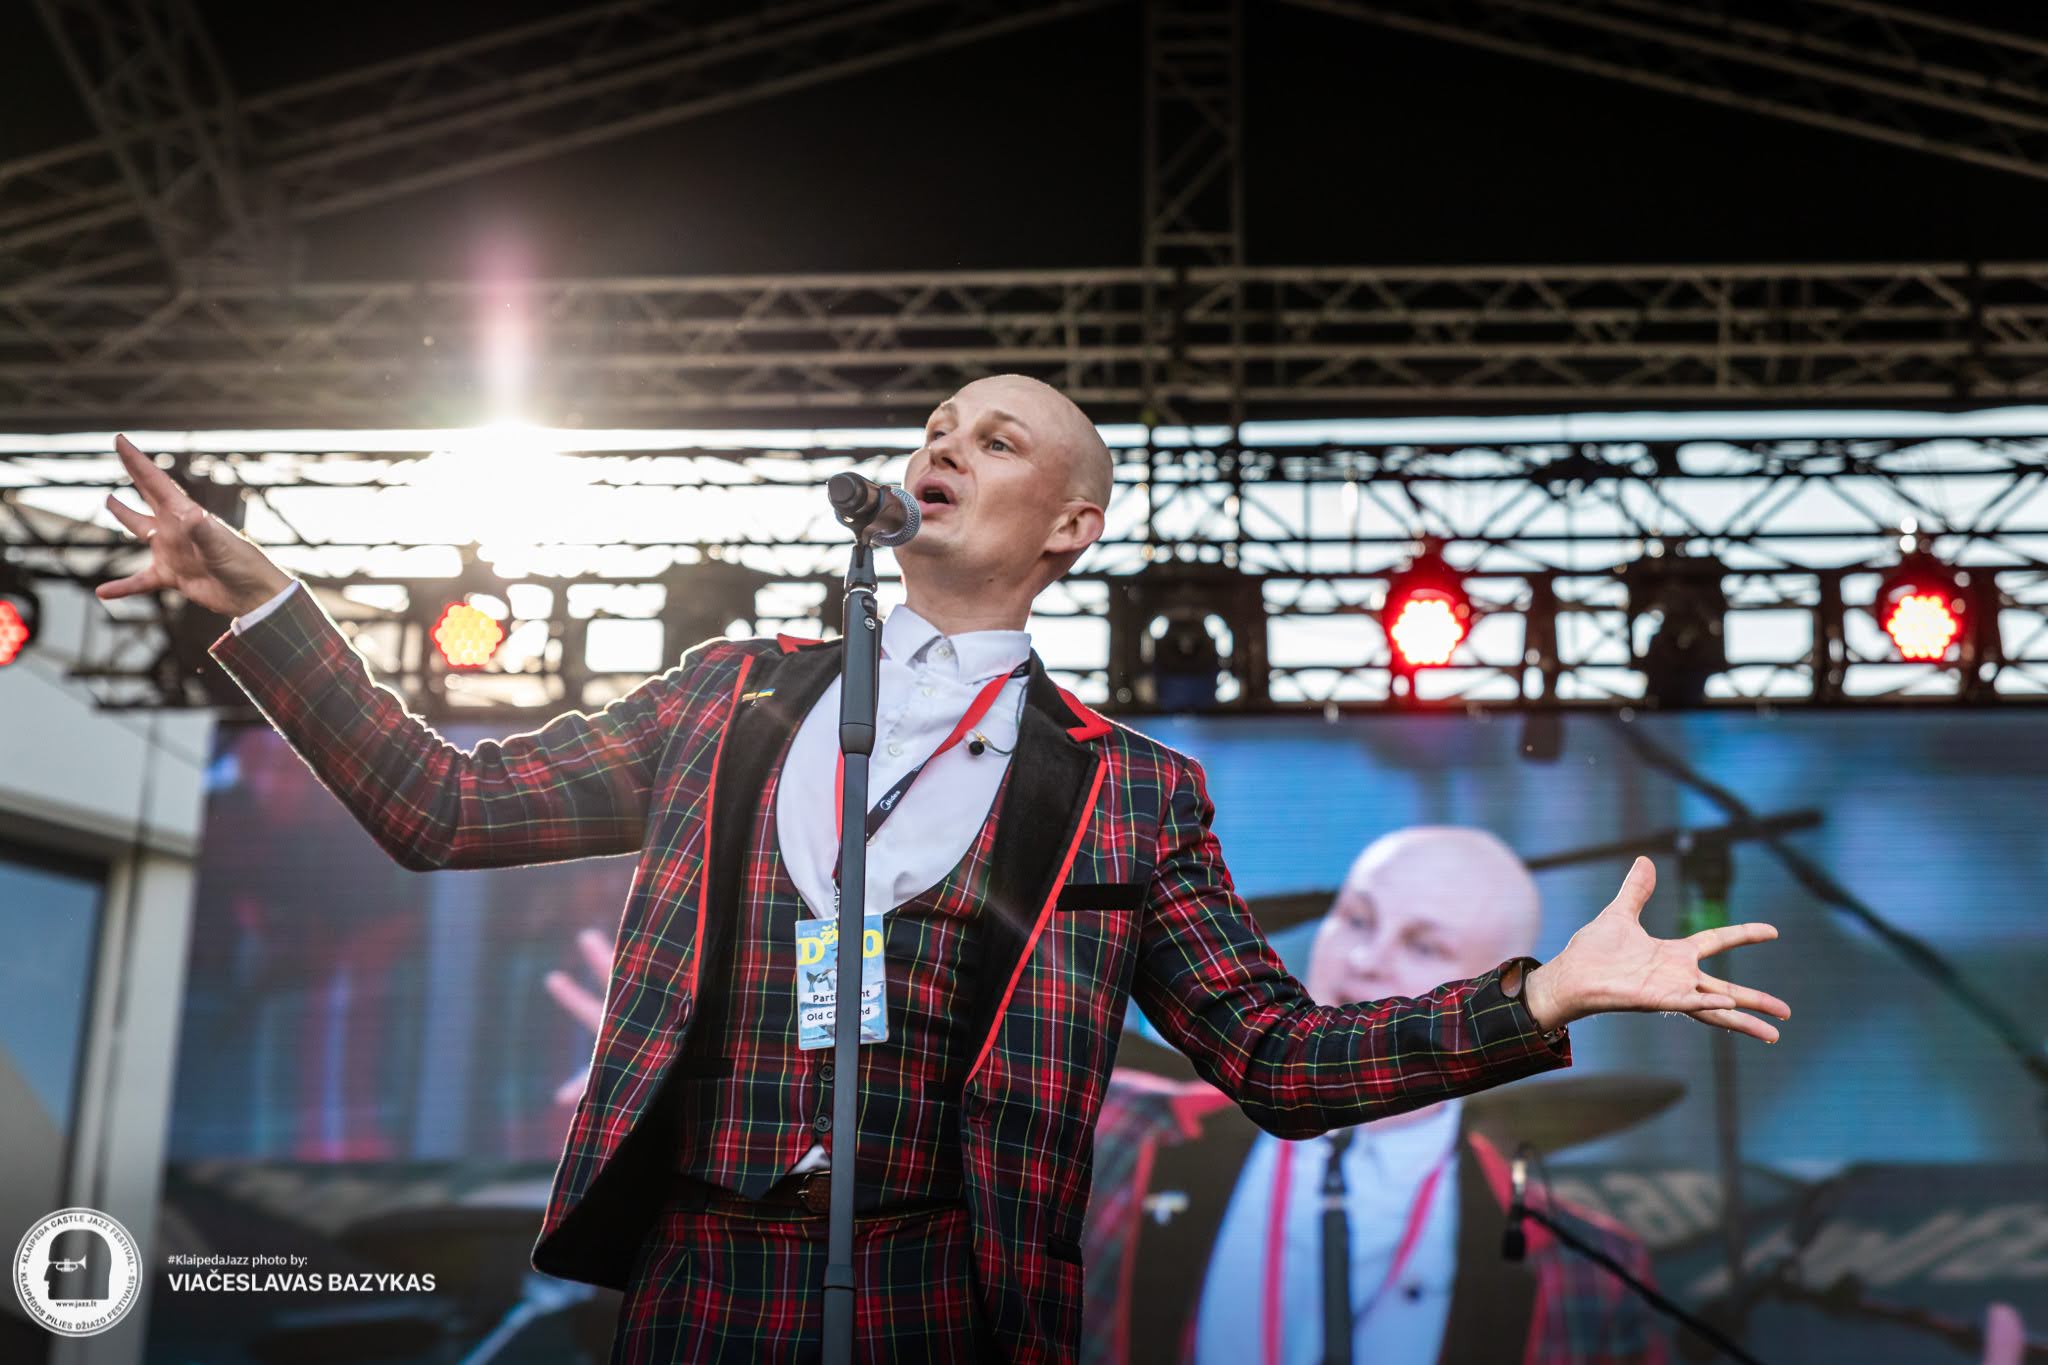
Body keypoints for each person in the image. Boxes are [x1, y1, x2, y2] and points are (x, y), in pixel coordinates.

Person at [97, 375, 1789, 1362]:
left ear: (1070, 527)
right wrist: (266, 606)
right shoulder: (731, 698)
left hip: (941, 1292)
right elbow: (442, 808)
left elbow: (1276, 1059)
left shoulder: (1128, 794)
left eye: (997, 438)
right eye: (936, 426)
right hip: (700, 1269)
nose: (949, 442)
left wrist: (1541, 995)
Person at [1086, 827, 1668, 1365]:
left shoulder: (1588, 1270)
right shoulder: (1113, 1131)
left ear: (1493, 991)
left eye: (1424, 946)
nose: (1364, 960)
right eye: (1357, 920)